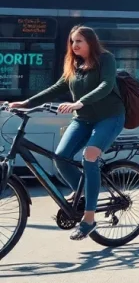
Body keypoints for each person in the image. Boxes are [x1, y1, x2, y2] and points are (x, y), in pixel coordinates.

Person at [10, 26, 126, 240]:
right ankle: (81, 192)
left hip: (110, 117)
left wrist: (80, 102)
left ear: (91, 41)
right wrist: (26, 103)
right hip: (83, 119)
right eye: (72, 42)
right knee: (61, 158)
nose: (75, 46)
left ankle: (89, 219)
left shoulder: (105, 59)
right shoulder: (74, 64)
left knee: (89, 157)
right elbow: (56, 88)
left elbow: (106, 85)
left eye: (79, 41)